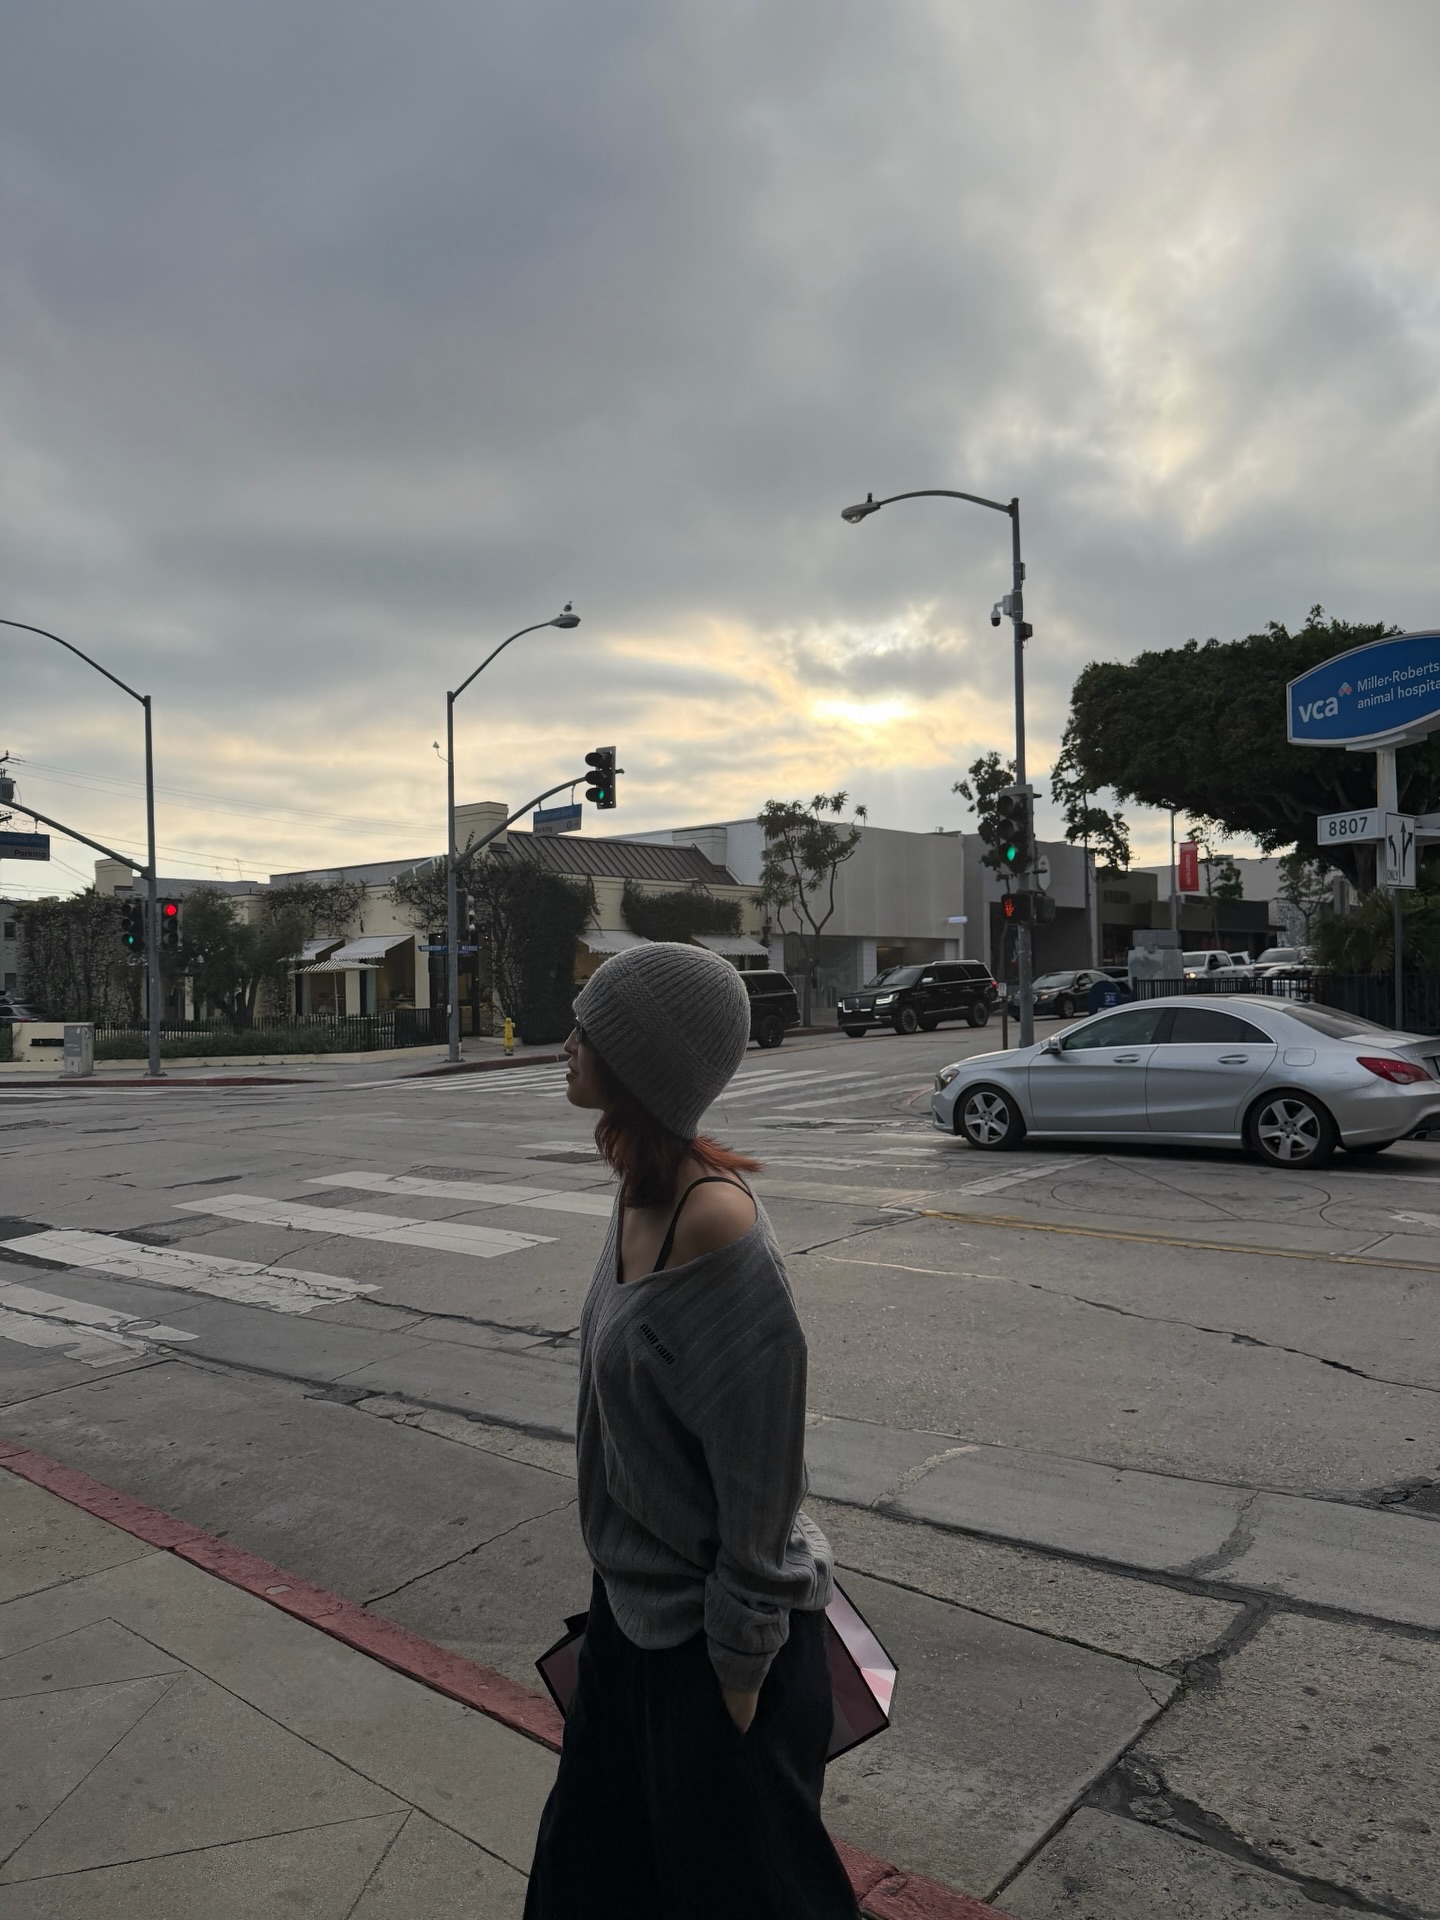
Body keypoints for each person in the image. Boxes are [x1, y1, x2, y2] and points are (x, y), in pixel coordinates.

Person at [524, 943, 858, 1920]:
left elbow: (765, 1482)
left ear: (642, 1060)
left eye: (587, 1029)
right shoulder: (638, 1189)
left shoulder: (715, 1225)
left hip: (714, 1648)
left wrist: (739, 1673)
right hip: (627, 1620)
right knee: (581, 1885)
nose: (566, 1044)